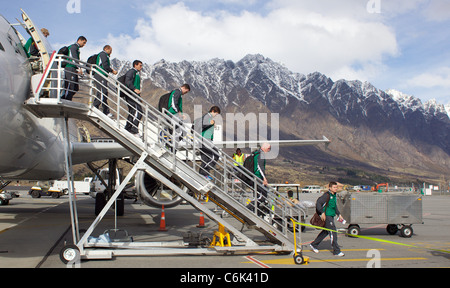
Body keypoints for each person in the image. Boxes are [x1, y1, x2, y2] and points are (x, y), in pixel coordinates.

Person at [310, 181, 345, 257]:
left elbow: (334, 206)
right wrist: (322, 212)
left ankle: (314, 244)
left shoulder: (334, 195)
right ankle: (336, 251)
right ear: (330, 188)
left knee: (325, 232)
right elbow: (318, 203)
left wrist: (339, 214)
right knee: (333, 233)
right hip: (327, 216)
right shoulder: (326, 195)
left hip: (331, 215)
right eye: (334, 187)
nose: (336, 189)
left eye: (336, 187)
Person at [244, 143, 271, 216]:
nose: (269, 150)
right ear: (265, 148)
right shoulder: (260, 155)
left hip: (255, 178)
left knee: (258, 196)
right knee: (262, 196)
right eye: (269, 148)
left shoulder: (256, 154)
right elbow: (260, 168)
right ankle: (248, 208)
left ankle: (255, 211)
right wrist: (264, 179)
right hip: (258, 178)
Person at [194, 106, 221, 179]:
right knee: (215, 155)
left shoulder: (209, 118)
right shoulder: (207, 116)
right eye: (216, 114)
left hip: (204, 140)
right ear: (212, 111)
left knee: (205, 158)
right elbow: (201, 125)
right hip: (204, 140)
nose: (216, 116)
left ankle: (203, 175)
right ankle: (204, 171)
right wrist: (210, 123)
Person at [93, 45, 118, 116]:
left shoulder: (103, 55)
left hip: (101, 75)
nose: (111, 52)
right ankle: (99, 108)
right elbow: (105, 65)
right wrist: (112, 71)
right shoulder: (103, 54)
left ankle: (102, 109)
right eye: (110, 50)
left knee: (103, 92)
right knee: (102, 92)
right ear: (106, 49)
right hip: (100, 75)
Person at [62, 36, 87, 101]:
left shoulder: (77, 48)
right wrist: (79, 68)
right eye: (83, 43)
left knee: (75, 88)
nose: (84, 45)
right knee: (70, 86)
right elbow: (74, 58)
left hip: (73, 68)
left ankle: (66, 98)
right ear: (80, 40)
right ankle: (66, 99)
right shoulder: (73, 47)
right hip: (70, 67)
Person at [123, 60, 143, 136]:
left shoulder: (136, 73)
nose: (141, 67)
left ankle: (128, 128)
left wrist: (139, 97)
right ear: (135, 65)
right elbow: (127, 81)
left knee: (132, 111)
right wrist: (134, 89)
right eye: (140, 65)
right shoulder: (131, 72)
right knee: (139, 112)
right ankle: (134, 130)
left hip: (135, 95)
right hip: (131, 94)